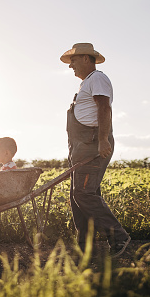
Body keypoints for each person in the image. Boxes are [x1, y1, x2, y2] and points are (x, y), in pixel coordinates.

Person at [60, 43, 130, 257]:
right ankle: (85, 247)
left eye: (74, 60)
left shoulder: (97, 78)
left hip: (92, 144)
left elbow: (104, 108)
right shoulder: (86, 84)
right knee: (78, 196)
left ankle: (118, 236)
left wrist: (102, 141)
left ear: (86, 59)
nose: (70, 65)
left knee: (83, 193)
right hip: (82, 147)